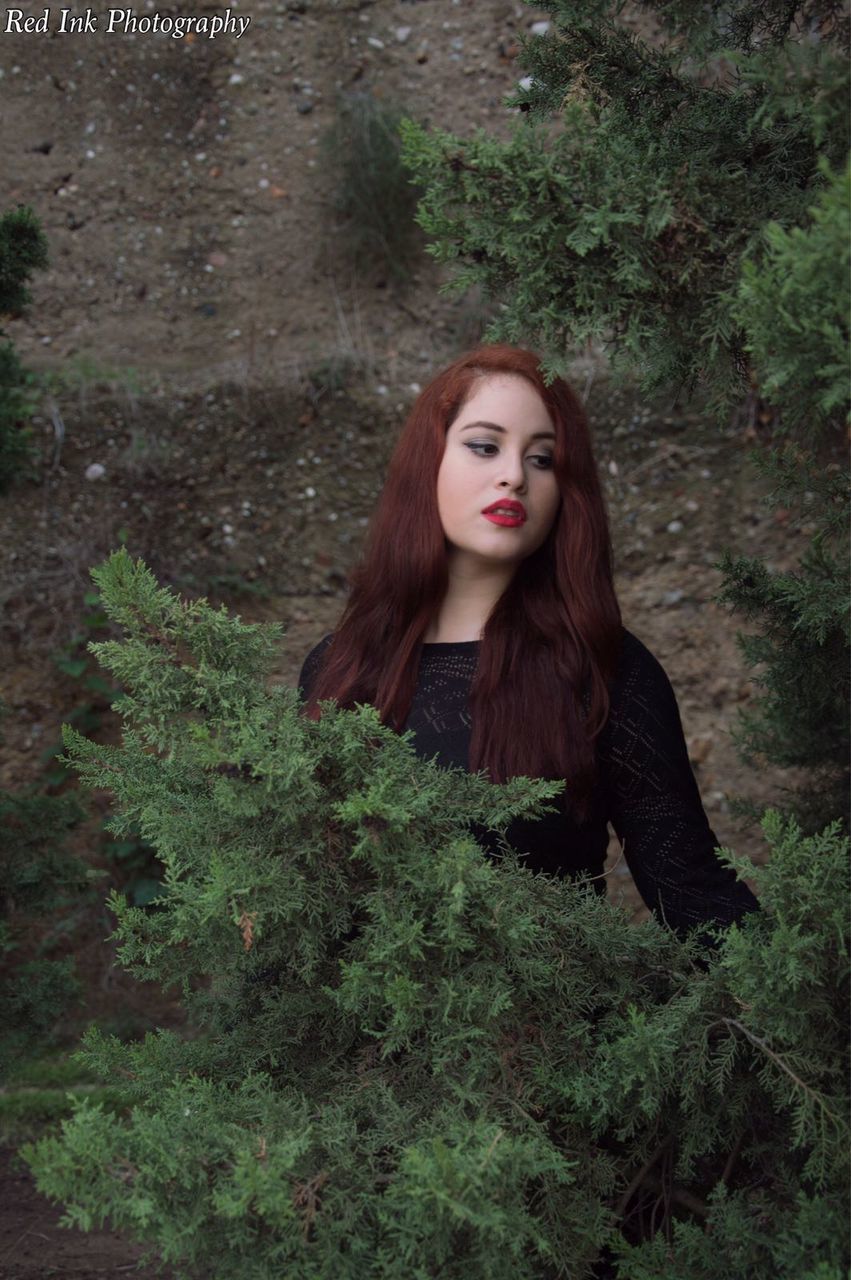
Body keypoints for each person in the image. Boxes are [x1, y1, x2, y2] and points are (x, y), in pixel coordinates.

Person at [298, 343, 759, 945]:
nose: (515, 474)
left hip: (559, 1035)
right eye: (485, 446)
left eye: (543, 459)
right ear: (426, 463)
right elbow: (301, 915)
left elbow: (694, 891)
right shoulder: (337, 668)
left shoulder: (604, 669)